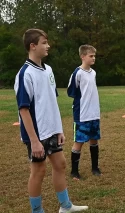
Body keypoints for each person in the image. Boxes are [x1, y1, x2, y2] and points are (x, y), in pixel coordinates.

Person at [14, 29, 88, 213]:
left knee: (60, 164)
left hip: (51, 130)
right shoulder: (25, 74)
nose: (48, 46)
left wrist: (58, 129)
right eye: (44, 42)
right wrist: (34, 140)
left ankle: (65, 206)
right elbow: (23, 109)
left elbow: (51, 102)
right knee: (38, 171)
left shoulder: (48, 70)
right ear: (33, 46)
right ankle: (37, 211)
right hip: (36, 134)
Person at [67, 45, 101, 180]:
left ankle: (95, 168)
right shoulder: (77, 73)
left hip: (94, 113)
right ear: (83, 56)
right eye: (90, 56)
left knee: (94, 140)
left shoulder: (93, 72)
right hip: (82, 114)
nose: (93, 58)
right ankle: (74, 172)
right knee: (79, 141)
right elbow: (71, 92)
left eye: (94, 56)